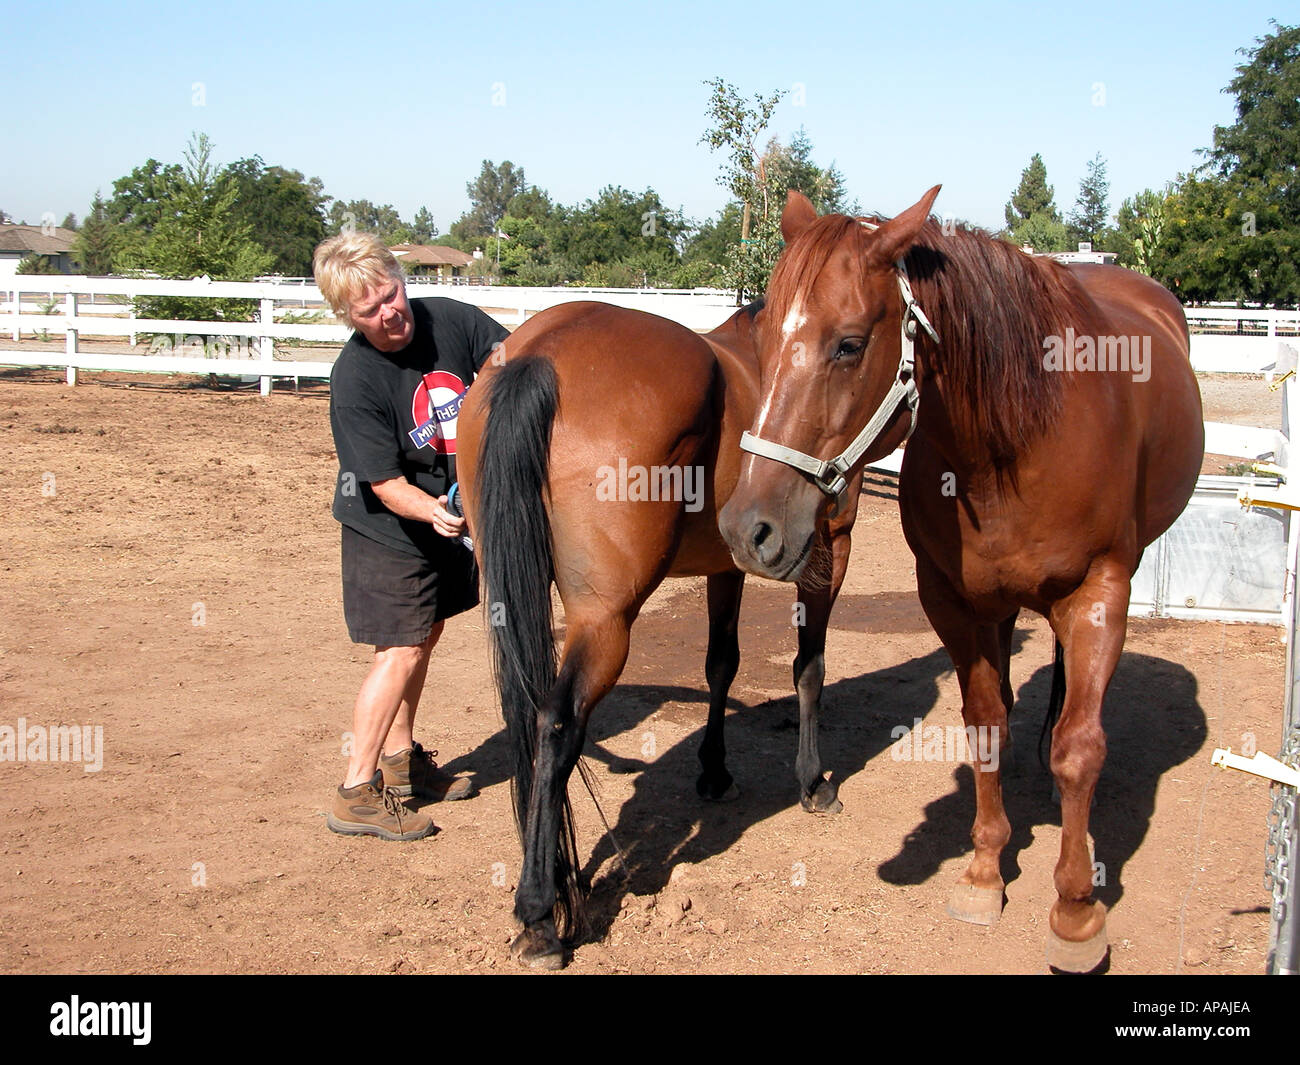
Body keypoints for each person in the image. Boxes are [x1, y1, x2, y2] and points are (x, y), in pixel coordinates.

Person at [313, 232, 508, 841]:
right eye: (370, 310)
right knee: (397, 652)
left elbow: (511, 359)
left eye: (392, 294)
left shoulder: (447, 319)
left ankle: (401, 765)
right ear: (347, 316)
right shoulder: (356, 379)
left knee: (425, 636)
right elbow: (383, 483)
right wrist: (436, 513)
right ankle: (356, 790)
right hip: (390, 530)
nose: (390, 313)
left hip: (445, 516)